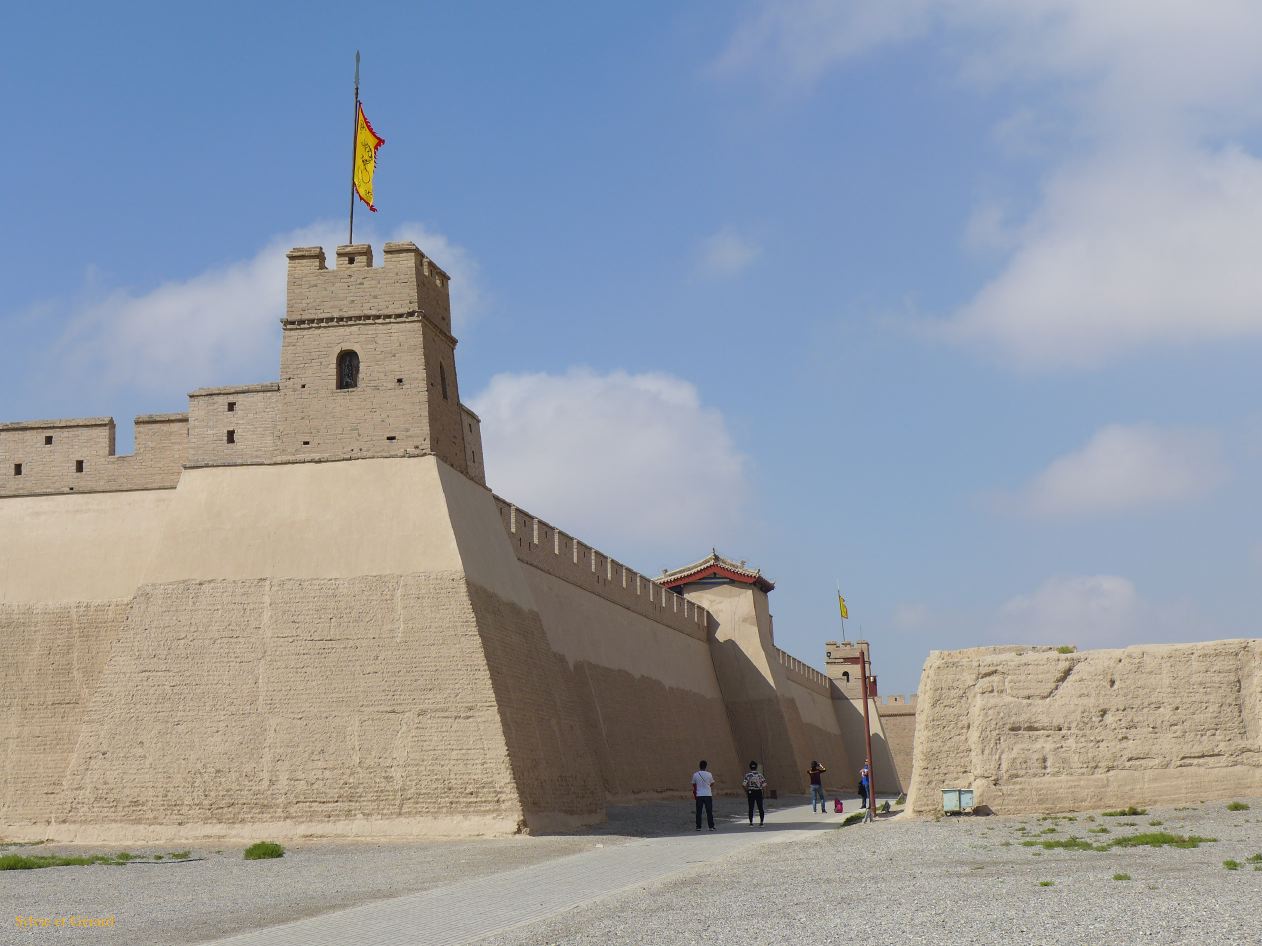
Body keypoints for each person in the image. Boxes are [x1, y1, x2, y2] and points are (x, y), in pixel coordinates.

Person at [692, 760, 716, 831]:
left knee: (698, 811)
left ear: (699, 766)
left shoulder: (695, 774)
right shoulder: (709, 774)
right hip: (708, 794)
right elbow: (712, 783)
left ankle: (698, 827)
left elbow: (694, 784)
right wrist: (707, 786)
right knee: (709, 811)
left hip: (699, 795)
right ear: (706, 766)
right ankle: (711, 826)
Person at [741, 761, 767, 826]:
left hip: (751, 792)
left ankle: (751, 823)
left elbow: (743, 785)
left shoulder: (748, 775)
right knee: (760, 807)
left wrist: (747, 791)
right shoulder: (760, 775)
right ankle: (761, 822)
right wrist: (763, 793)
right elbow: (764, 785)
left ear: (750, 767)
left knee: (751, 808)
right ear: (756, 767)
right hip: (758, 792)